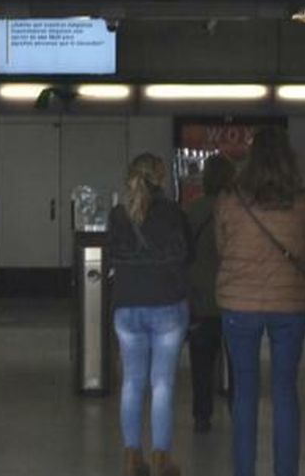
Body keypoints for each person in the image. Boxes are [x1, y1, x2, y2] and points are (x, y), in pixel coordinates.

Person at [216, 127, 305, 476]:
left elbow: (221, 246)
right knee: (284, 391)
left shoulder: (230, 199)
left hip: (238, 303)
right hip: (290, 304)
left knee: (244, 392)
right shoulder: (303, 200)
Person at [108, 153, 191, 476]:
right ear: (161, 178)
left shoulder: (118, 214)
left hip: (127, 306)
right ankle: (160, 458)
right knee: (162, 385)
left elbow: (112, 253)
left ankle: (131, 457)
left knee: (131, 383)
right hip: (167, 305)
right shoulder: (172, 212)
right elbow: (187, 254)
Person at [185, 153, 235, 435]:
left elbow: (184, 252)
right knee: (239, 360)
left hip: (201, 298)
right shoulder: (240, 210)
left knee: (201, 362)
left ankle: (202, 415)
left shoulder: (192, 211)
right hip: (234, 297)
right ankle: (238, 407)